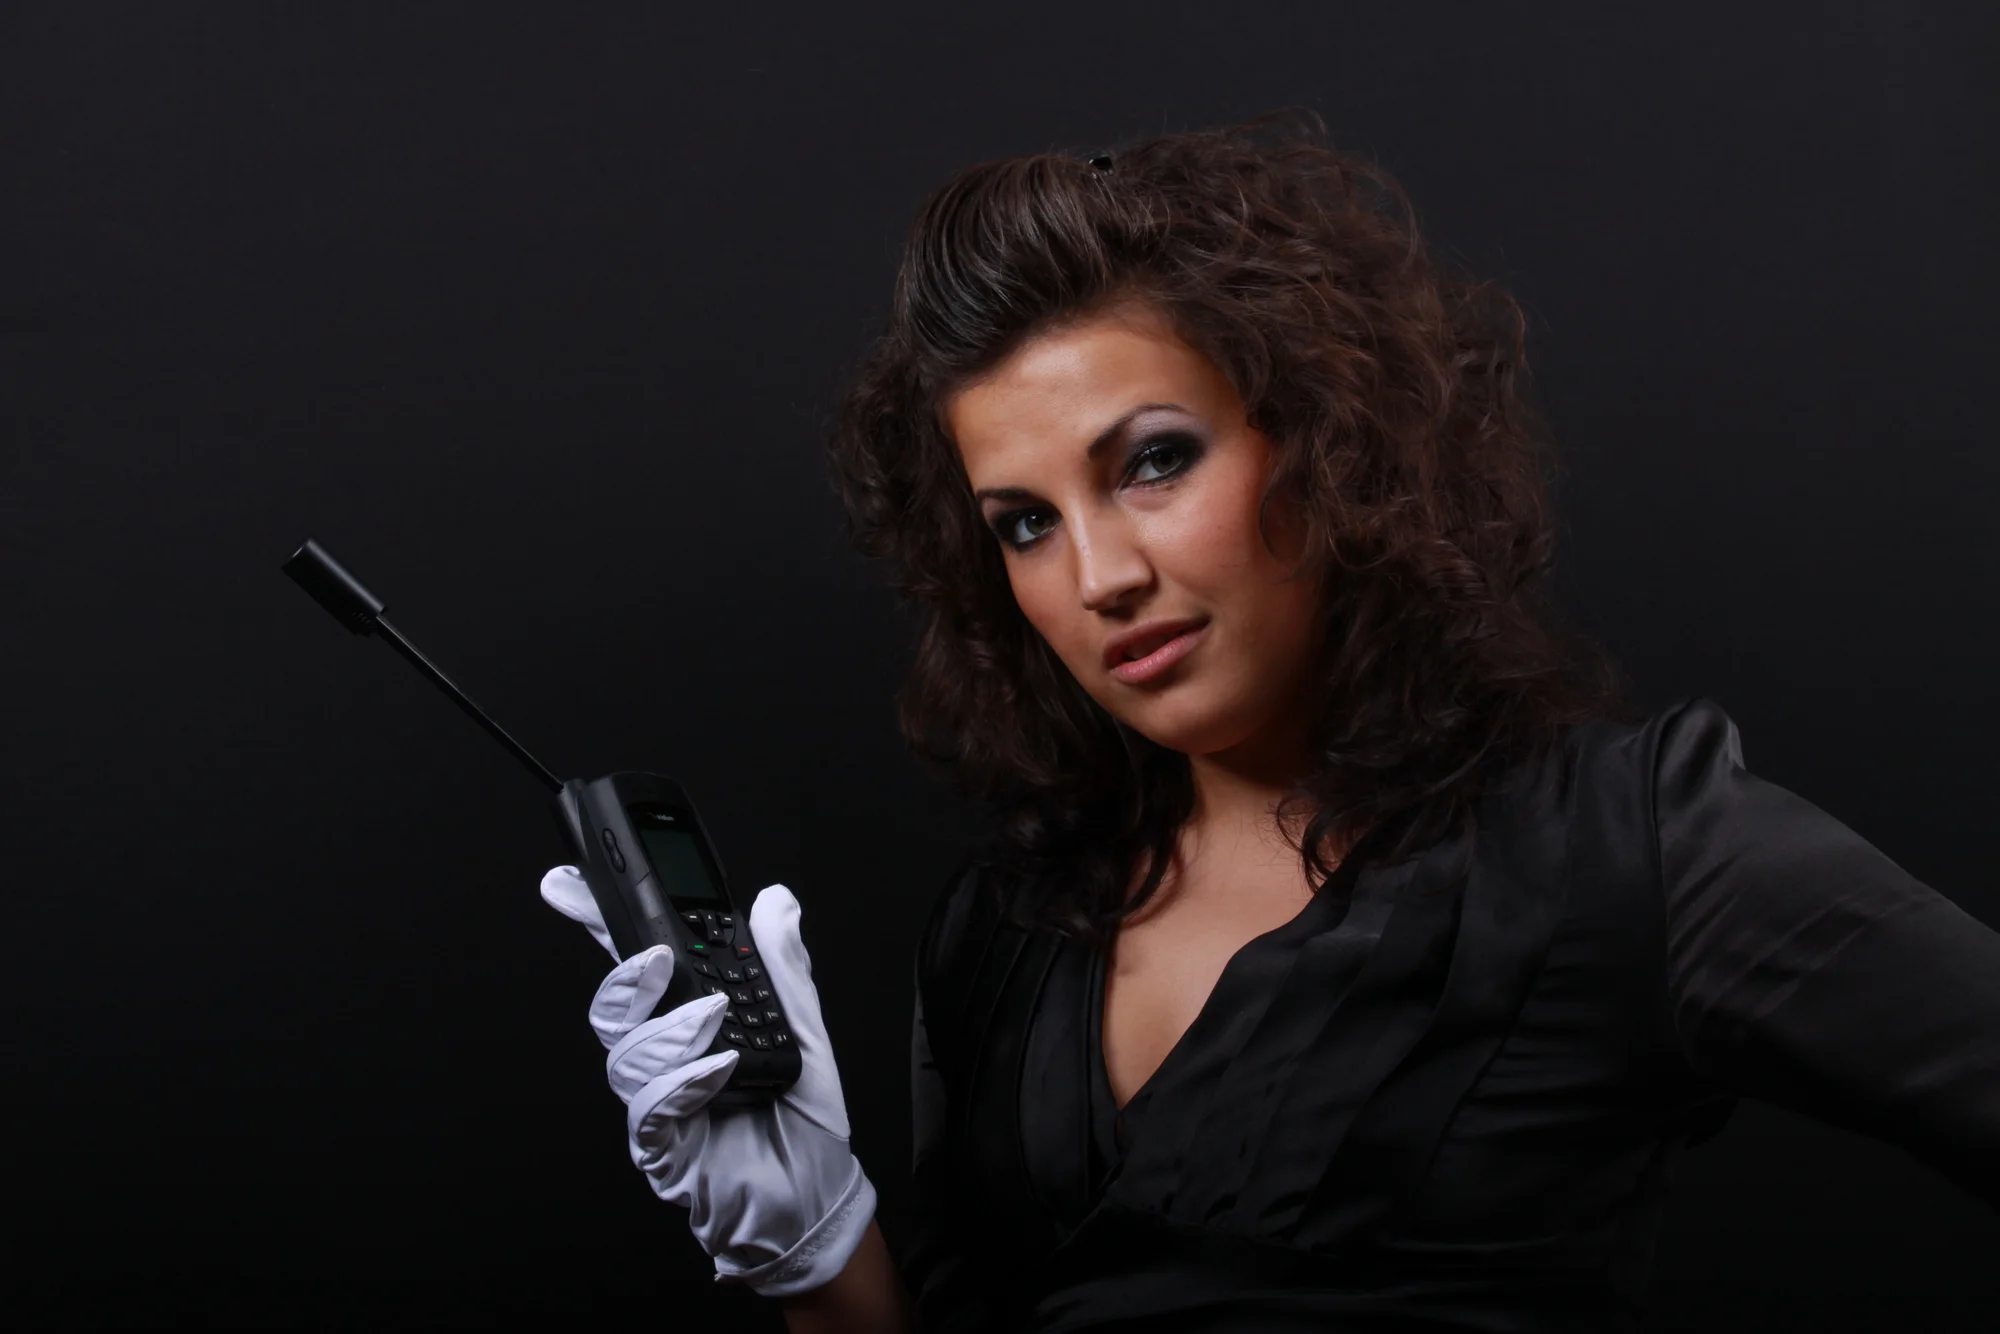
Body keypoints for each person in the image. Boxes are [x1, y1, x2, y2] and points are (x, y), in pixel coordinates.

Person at [537, 114, 2000, 1332]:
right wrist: (819, 1261)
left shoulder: (1626, 844)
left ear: (1315, 437)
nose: (1100, 577)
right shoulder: (1005, 935)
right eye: (1026, 522)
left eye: (1153, 462)